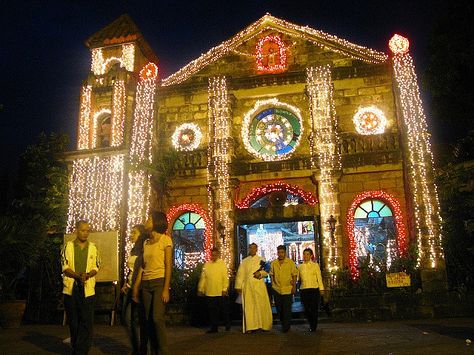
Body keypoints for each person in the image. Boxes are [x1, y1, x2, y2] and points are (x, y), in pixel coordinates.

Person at [133, 211, 172, 355]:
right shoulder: (145, 242)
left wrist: (166, 288)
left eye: (149, 218)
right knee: (148, 320)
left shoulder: (165, 240)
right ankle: (153, 350)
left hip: (159, 281)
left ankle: (164, 351)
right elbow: (143, 267)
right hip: (146, 284)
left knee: (157, 318)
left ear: (156, 222)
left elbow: (168, 264)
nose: (146, 221)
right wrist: (136, 286)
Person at [61, 220, 100, 355]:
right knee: (74, 320)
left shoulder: (93, 247)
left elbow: (96, 266)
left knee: (86, 321)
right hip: (71, 288)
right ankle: (76, 346)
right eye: (83, 230)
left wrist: (88, 275)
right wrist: (78, 276)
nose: (85, 233)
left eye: (88, 230)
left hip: (87, 289)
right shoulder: (68, 247)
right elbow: (65, 267)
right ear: (76, 230)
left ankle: (81, 350)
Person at [121, 224, 148, 354]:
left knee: (141, 320)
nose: (131, 235)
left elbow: (142, 270)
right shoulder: (133, 249)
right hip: (130, 287)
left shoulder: (144, 249)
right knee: (126, 318)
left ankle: (141, 349)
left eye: (134, 232)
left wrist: (136, 286)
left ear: (141, 234)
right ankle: (136, 347)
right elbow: (131, 270)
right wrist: (126, 283)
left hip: (139, 288)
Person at [235, 243, 272, 333]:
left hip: (259, 285)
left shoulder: (261, 260)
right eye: (250, 248)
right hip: (248, 286)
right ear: (249, 249)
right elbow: (240, 274)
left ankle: (263, 325)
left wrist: (260, 274)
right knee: (249, 307)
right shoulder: (244, 261)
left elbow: (267, 271)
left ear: (256, 249)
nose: (252, 250)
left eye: (254, 248)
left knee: (261, 305)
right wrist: (238, 286)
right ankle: (251, 327)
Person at [197, 247, 231, 333]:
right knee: (212, 311)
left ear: (218, 255)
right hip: (210, 291)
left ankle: (227, 324)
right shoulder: (207, 265)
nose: (214, 256)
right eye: (212, 255)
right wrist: (201, 288)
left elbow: (225, 277)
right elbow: (203, 278)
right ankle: (214, 327)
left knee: (223, 310)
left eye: (215, 255)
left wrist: (224, 288)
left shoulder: (222, 264)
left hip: (220, 291)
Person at [270, 245, 297, 333]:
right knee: (279, 308)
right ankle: (283, 322)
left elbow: (294, 275)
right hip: (277, 289)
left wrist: (294, 287)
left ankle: (286, 326)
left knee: (287, 308)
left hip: (287, 288)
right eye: (279, 252)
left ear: (285, 252)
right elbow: (271, 274)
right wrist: (273, 284)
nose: (280, 254)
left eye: (282, 252)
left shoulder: (290, 262)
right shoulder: (274, 263)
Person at [298, 248, 325, 332]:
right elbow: (298, 278)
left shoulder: (315, 265)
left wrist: (321, 288)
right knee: (306, 309)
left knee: (314, 308)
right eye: (304, 254)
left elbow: (319, 277)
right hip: (304, 289)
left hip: (313, 289)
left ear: (311, 255)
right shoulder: (300, 266)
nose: (305, 256)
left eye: (307, 254)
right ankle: (311, 322)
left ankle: (313, 326)